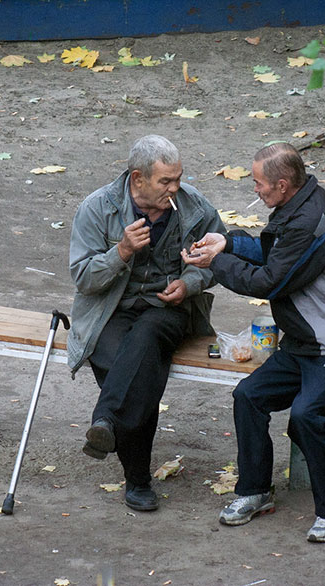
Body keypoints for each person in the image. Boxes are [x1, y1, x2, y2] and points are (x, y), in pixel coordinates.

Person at [182, 142, 325, 542]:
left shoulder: (311, 223)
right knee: (248, 396)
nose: (255, 190)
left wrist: (216, 263)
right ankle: (254, 491)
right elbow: (274, 252)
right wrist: (228, 243)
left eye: (259, 183)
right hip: (303, 344)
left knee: (306, 414)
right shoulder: (298, 206)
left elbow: (269, 280)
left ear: (283, 184)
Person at [67, 135, 224, 512]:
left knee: (148, 338)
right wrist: (120, 252)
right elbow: (83, 278)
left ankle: (107, 421)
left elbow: (217, 261)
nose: (175, 188)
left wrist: (188, 283)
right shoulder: (98, 208)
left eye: (178, 178)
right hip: (110, 310)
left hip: (167, 310)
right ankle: (136, 479)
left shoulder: (195, 209)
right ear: (138, 179)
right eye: (165, 182)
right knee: (140, 369)